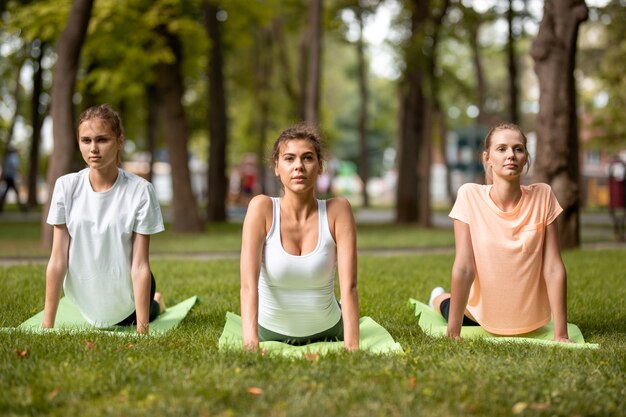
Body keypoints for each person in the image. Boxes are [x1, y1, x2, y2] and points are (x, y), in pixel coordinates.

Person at [429, 122, 572, 343]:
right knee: (445, 304)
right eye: (502, 149)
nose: (511, 155)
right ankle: (437, 296)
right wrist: (453, 332)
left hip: (529, 318)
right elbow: (464, 266)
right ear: (487, 158)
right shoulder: (469, 196)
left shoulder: (543, 196)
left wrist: (560, 334)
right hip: (478, 312)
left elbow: (553, 267)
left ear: (526, 158)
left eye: (518, 149)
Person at [43, 104, 165, 334]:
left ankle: (156, 301)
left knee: (150, 308)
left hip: (127, 299)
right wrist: (46, 325)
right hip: (86, 298)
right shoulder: (65, 186)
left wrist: (143, 329)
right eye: (86, 140)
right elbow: (57, 259)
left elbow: (139, 265)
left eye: (102, 139)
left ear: (119, 141)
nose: (93, 149)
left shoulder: (141, 191)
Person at [240, 123, 360, 351]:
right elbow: (247, 286)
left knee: (341, 301)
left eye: (307, 158)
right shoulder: (262, 208)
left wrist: (352, 346)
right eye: (289, 159)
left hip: (331, 329)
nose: (298, 167)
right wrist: (251, 344)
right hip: (270, 331)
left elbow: (350, 286)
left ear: (320, 167)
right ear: (276, 166)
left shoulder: (338, 210)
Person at [0, 145, 26, 213]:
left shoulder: (9, 157)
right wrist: (22, 174)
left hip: (9, 177)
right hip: (9, 177)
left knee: (6, 193)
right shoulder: (13, 157)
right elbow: (15, 166)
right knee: (15, 192)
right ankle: (23, 208)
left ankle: (1, 207)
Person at [607, 155, 626, 242]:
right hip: (615, 193)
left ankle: (621, 233)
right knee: (616, 215)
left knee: (621, 216)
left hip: (621, 194)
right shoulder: (611, 167)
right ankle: (617, 233)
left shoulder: (621, 167)